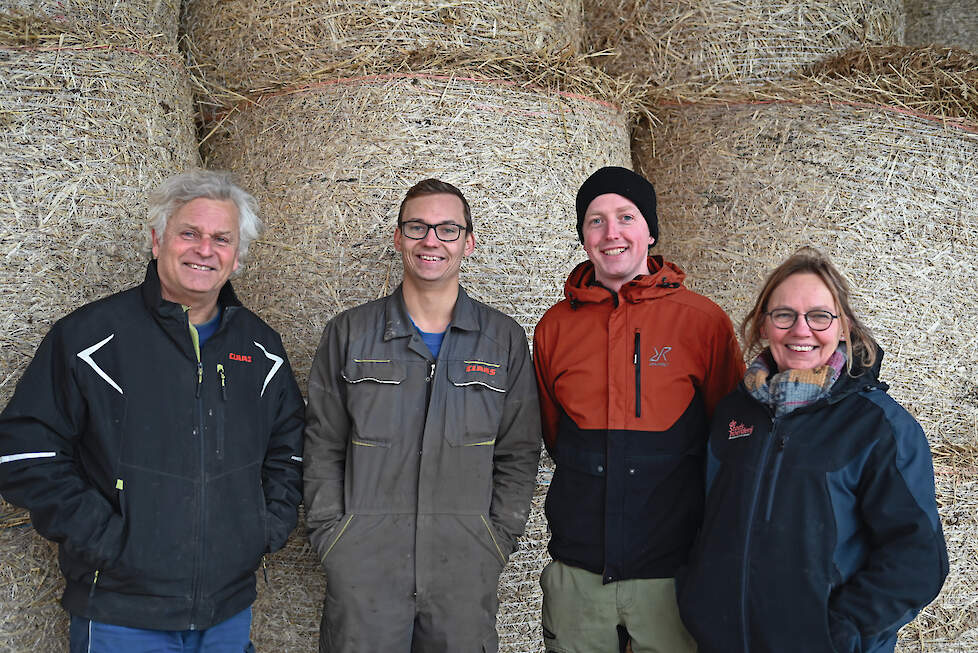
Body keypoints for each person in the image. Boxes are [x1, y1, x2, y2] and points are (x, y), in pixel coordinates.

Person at [0, 170, 305, 652]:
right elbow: (22, 455)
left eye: (222, 239)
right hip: (122, 609)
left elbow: (289, 451)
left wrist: (262, 527)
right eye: (190, 233)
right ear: (157, 238)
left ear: (237, 256)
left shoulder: (261, 349)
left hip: (227, 609)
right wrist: (106, 539)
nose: (205, 249)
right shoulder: (89, 339)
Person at [303, 178, 541, 652]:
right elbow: (322, 443)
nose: (431, 240)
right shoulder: (350, 333)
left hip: (463, 571)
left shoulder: (503, 339)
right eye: (417, 227)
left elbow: (518, 451)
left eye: (447, 229)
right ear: (398, 238)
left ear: (468, 243)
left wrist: (494, 539)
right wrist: (335, 537)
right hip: (364, 571)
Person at [677, 246, 948, 652]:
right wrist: (697, 599)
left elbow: (918, 558)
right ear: (765, 326)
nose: (801, 330)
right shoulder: (736, 411)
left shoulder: (879, 425)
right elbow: (705, 516)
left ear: (843, 328)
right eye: (784, 314)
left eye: (819, 316)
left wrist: (842, 632)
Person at [533, 166, 745, 652]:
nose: (612, 234)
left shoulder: (703, 322)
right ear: (583, 235)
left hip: (671, 576)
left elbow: (729, 442)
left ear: (650, 230)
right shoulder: (554, 328)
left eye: (626, 217)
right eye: (595, 220)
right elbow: (553, 435)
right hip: (579, 577)